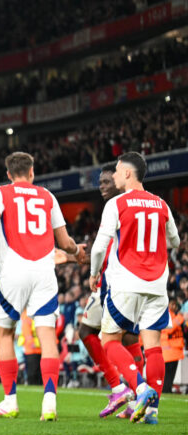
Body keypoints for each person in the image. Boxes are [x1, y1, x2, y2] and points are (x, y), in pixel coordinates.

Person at [0, 151, 85, 421]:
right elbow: (65, 241)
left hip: (13, 272)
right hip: (44, 273)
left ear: (8, 174)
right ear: (32, 172)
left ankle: (10, 400)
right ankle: (49, 402)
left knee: (5, 335)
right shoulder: (47, 196)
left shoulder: (0, 192)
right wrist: (76, 252)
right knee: (47, 336)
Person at [90, 152, 180, 424]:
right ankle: (152, 412)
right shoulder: (161, 204)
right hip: (157, 283)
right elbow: (175, 241)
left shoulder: (117, 203)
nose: (114, 176)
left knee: (109, 340)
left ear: (128, 173)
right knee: (153, 346)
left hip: (127, 281)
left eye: (117, 171)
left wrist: (94, 273)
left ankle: (141, 389)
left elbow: (99, 247)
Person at [74, 163, 140, 417]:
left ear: (119, 180)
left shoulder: (115, 206)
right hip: (136, 280)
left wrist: (93, 269)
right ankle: (136, 398)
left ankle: (119, 386)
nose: (101, 187)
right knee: (130, 338)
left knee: (86, 331)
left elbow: (105, 248)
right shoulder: (133, 204)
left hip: (112, 282)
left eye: (106, 182)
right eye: (100, 182)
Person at [160, 300, 185, 394]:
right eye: (173, 304)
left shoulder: (172, 315)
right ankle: (166, 390)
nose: (175, 306)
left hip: (174, 350)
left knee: (171, 373)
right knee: (168, 373)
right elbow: (169, 329)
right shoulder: (167, 315)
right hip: (169, 350)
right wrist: (181, 317)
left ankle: (168, 389)